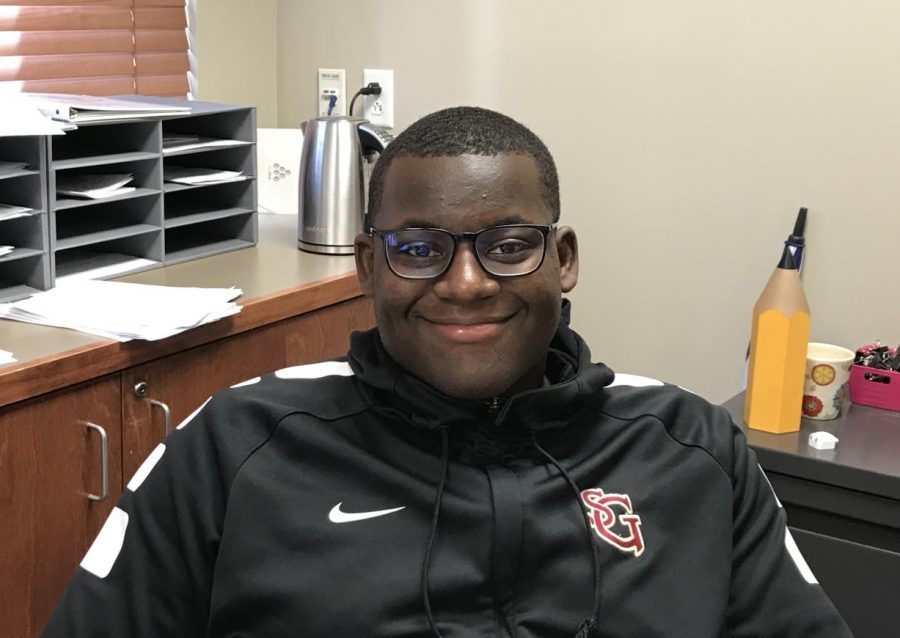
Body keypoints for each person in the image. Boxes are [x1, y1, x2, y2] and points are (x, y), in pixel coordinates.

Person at [43, 107, 853, 638]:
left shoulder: (688, 448)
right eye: (418, 249)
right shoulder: (235, 446)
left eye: (507, 245)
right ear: (368, 266)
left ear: (562, 260)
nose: (465, 283)